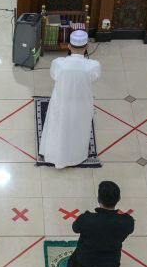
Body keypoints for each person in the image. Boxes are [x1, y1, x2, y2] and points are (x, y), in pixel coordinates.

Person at [59, 180, 134, 267]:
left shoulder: (87, 219)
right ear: (118, 200)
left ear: (99, 199)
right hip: (110, 261)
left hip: (84, 259)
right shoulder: (127, 222)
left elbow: (75, 228)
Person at [39, 30, 101, 168]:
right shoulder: (94, 65)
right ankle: (76, 156)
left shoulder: (59, 63)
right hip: (82, 102)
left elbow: (54, 76)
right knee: (79, 129)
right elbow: (94, 78)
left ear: (68, 46)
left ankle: (55, 154)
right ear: (86, 47)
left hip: (62, 102)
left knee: (59, 127)